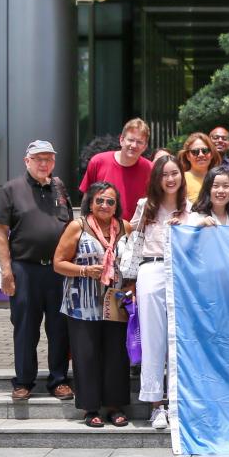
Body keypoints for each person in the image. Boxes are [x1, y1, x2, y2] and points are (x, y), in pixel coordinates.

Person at [0, 139, 74, 402]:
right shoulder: (11, 190)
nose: (44, 163)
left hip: (58, 271)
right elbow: (1, 233)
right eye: (38, 159)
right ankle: (24, 381)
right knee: (25, 326)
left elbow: (70, 228)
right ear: (27, 161)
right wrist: (6, 270)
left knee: (60, 327)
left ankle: (58, 379)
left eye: (48, 158)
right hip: (25, 269)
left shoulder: (59, 188)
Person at [53, 182, 132, 428]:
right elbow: (58, 263)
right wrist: (85, 270)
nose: (105, 205)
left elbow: (133, 263)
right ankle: (91, 409)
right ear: (90, 202)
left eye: (110, 201)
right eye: (100, 200)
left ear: (116, 205)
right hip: (82, 303)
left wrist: (131, 287)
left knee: (116, 355)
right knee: (86, 356)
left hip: (115, 303)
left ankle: (115, 406)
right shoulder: (78, 227)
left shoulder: (126, 227)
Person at [129, 157, 187, 430]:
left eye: (175, 173)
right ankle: (156, 406)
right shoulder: (145, 206)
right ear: (157, 179)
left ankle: (179, 403)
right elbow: (130, 237)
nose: (171, 179)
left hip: (182, 274)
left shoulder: (191, 208)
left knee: (180, 340)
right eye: (165, 175)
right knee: (153, 340)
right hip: (151, 270)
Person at [79, 118, 153, 221]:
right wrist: (84, 226)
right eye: (131, 140)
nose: (134, 145)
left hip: (135, 232)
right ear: (122, 140)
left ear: (145, 147)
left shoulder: (151, 169)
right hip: (100, 230)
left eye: (139, 142)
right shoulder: (98, 162)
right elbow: (86, 198)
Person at [179, 132, 221, 205]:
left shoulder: (220, 178)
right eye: (195, 152)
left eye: (205, 151)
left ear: (211, 154)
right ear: (188, 156)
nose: (201, 155)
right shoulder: (181, 179)